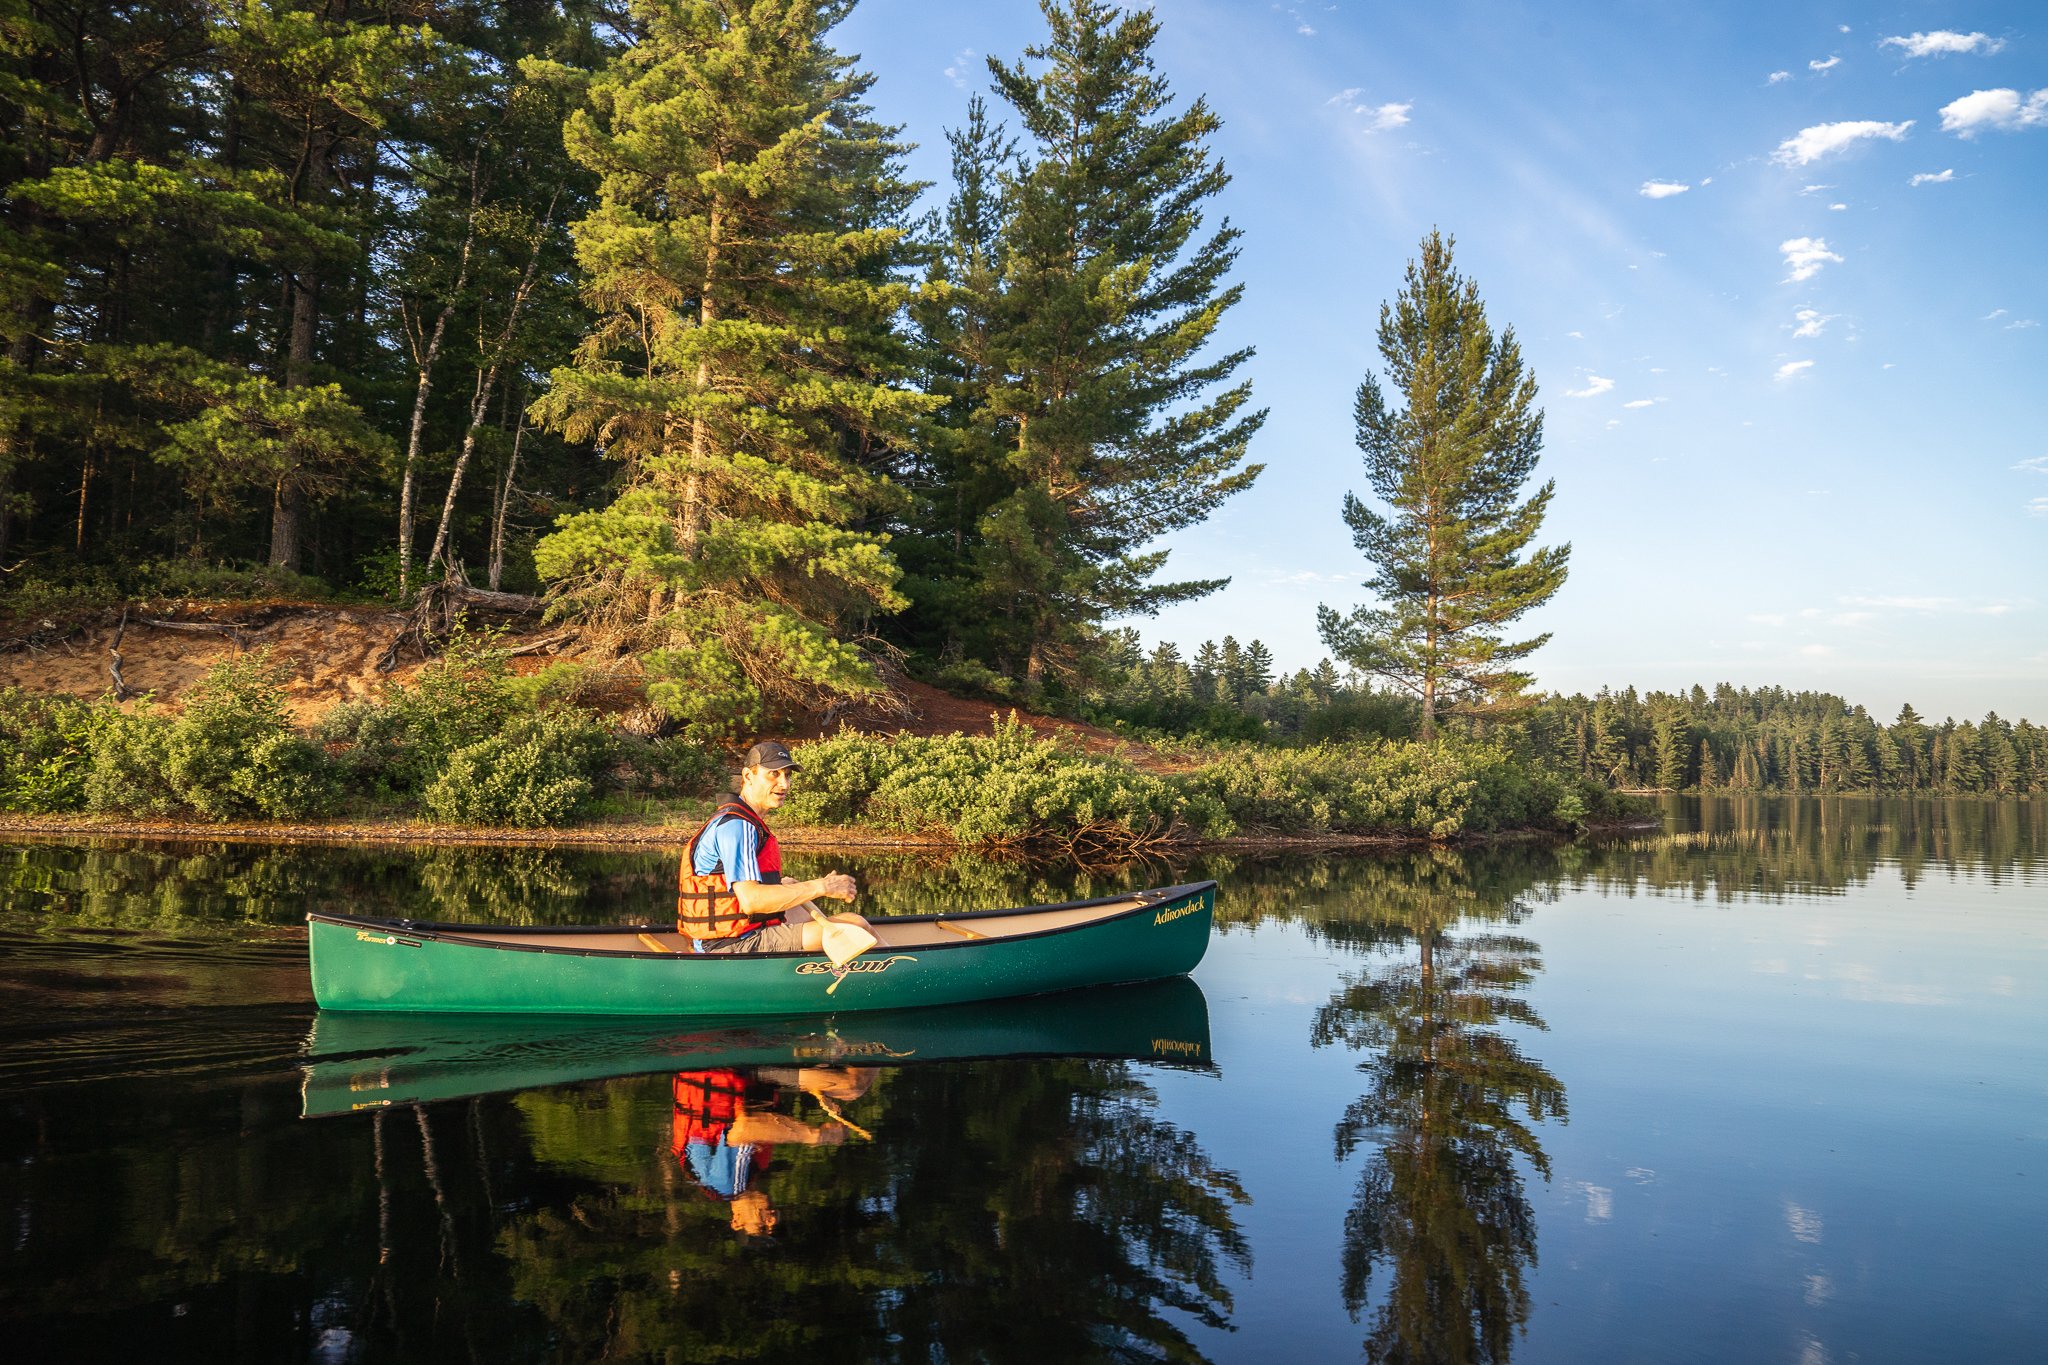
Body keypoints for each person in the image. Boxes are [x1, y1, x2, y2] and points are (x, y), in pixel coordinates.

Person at [678, 740, 872, 954]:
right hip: (728, 945)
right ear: (748, 776)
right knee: (855, 923)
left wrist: (784, 886)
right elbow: (752, 901)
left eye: (787, 775)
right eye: (774, 774)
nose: (784, 784)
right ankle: (895, 971)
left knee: (800, 906)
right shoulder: (738, 826)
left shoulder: (745, 821)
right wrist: (822, 887)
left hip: (742, 932)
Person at [669, 1066, 877, 1238]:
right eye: (771, 1225)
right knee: (851, 1088)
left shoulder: (729, 1185)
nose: (772, 1219)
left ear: (737, 1221)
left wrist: (818, 1136)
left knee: (852, 1084)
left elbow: (744, 1128)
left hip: (730, 1066)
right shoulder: (749, 1173)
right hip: (747, 1073)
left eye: (761, 1228)